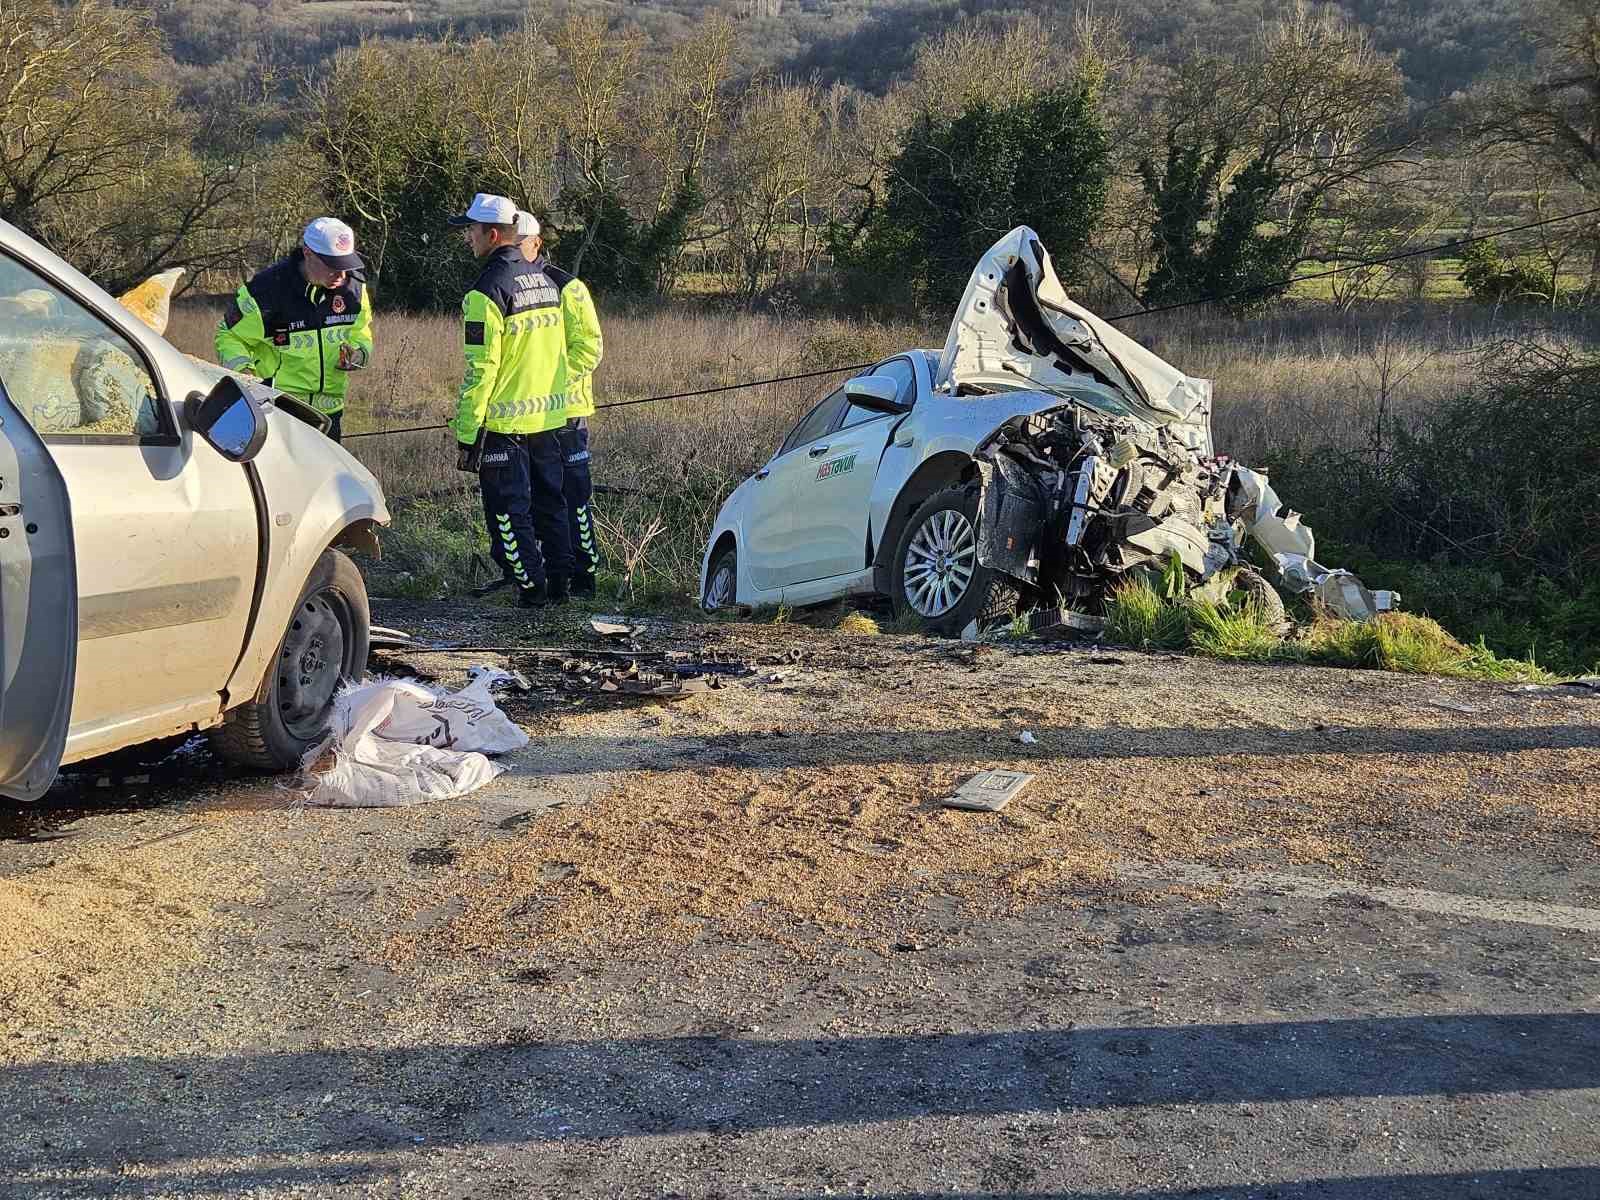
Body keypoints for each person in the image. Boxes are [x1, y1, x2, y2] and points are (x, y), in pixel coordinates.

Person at [451, 194, 602, 606]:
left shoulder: (485, 292)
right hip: (549, 420)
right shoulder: (545, 283)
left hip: (506, 425)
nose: (468, 238)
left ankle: (531, 591)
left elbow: (481, 371)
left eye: (471, 230)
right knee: (552, 504)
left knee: (508, 512)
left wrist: (467, 433)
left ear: (493, 234)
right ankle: (559, 588)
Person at [511, 207, 604, 596]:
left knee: (575, 497)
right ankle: (553, 576)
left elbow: (590, 347)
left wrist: (555, 386)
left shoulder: (568, 286)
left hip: (567, 411)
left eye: (520, 245)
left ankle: (585, 575)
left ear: (536, 243)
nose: (514, 253)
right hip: (531, 417)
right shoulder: (508, 285)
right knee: (539, 501)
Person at [215, 217, 373, 441]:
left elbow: (361, 331)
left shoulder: (354, 288)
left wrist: (358, 353)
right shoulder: (266, 291)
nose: (341, 275)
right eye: (333, 265)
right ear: (308, 253)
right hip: (276, 410)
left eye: (346, 264)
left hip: (330, 415)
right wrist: (246, 378)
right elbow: (229, 336)